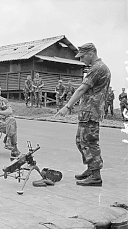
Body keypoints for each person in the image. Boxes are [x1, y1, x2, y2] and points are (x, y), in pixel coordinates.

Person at [55, 43, 111, 187]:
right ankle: (91, 169)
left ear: (91, 53)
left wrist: (67, 106)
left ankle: (96, 175)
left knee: (89, 142)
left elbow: (81, 89)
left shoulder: (98, 68)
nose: (81, 60)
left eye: (83, 56)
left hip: (91, 111)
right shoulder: (96, 68)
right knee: (81, 141)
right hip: (88, 111)